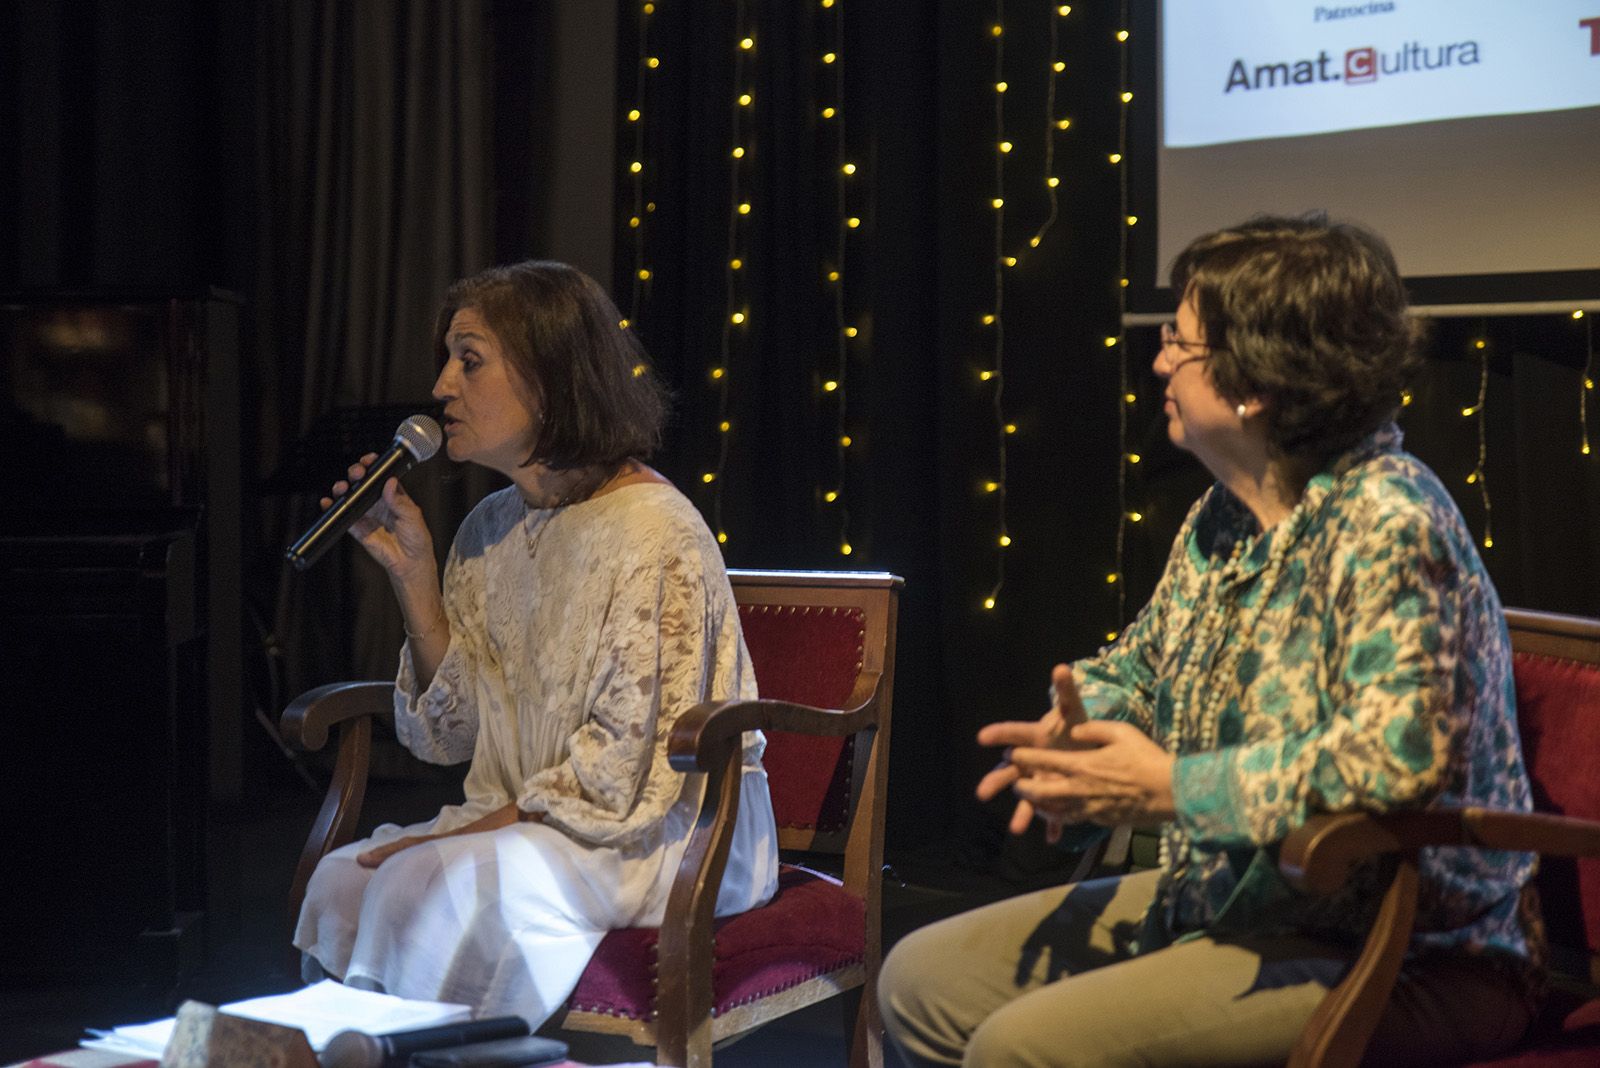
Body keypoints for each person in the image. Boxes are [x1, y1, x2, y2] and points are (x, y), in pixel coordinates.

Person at [879, 215, 1541, 1066]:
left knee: (1022, 1048)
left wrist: (1173, 789)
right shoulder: (1222, 516)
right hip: (1233, 899)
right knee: (918, 983)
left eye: (1180, 344)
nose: (1159, 363)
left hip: (1410, 947)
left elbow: (1392, 760)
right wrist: (1080, 738)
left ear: (1254, 383)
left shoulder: (1389, 522)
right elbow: (1142, 669)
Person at [293, 261, 779, 1027]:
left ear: (552, 376)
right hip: (531, 821)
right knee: (343, 883)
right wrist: (415, 577)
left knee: (433, 885)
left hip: (663, 830)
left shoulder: (654, 531)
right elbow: (450, 737)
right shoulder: (488, 527)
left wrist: (471, 834)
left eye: (470, 360)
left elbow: (628, 767)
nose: (442, 386)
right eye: (447, 360)